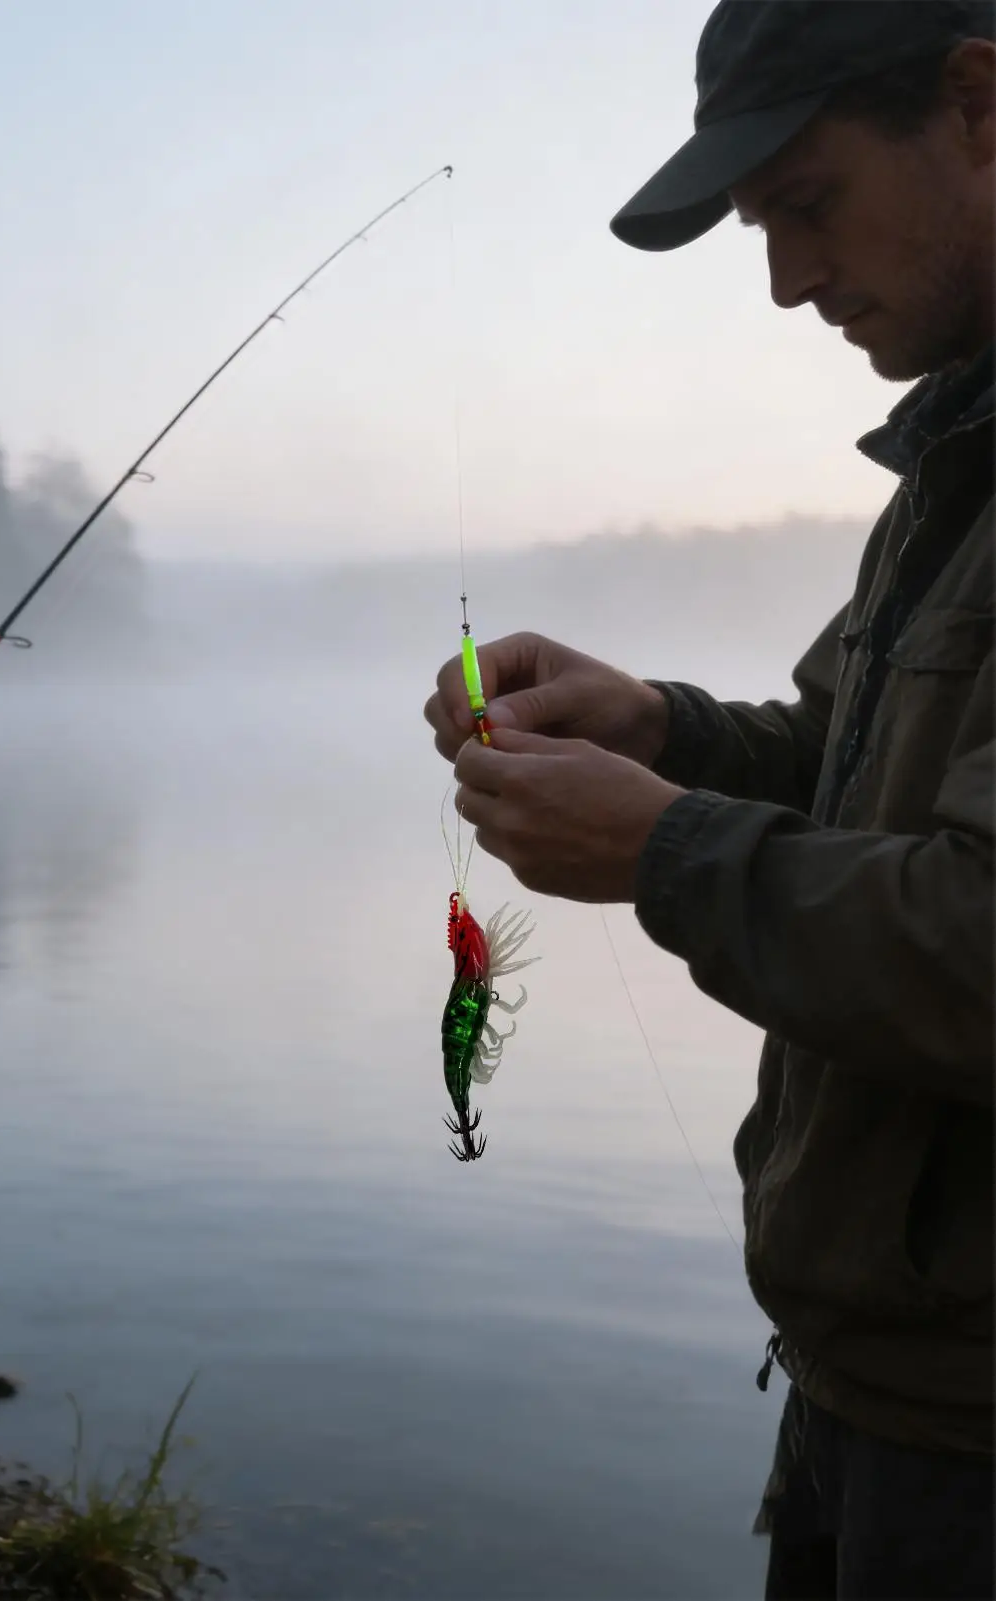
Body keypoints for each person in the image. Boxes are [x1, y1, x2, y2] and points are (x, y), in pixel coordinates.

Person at [424, 3, 993, 1597]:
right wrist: (660, 727)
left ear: (977, 103)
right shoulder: (961, 455)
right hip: (872, 1387)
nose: (785, 280)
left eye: (806, 203)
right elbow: (853, 766)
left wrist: (661, 846)